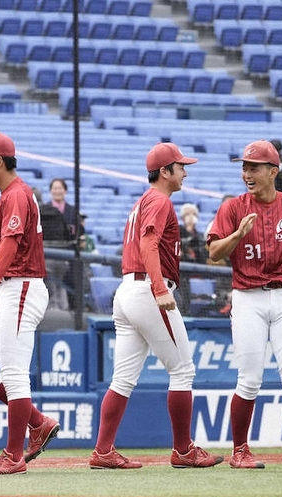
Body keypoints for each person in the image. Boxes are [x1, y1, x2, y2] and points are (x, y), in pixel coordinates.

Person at [89, 143, 222, 470]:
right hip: (148, 290)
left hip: (128, 290)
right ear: (165, 171)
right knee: (182, 370)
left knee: (122, 379)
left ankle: (103, 450)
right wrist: (160, 287)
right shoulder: (160, 201)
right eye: (180, 166)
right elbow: (149, 243)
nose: (185, 172)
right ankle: (183, 449)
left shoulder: (143, 201)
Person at [207, 139, 282, 469]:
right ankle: (240, 451)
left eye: (253, 167)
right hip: (247, 298)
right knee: (249, 378)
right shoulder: (232, 208)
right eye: (244, 167)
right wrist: (237, 236)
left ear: (273, 171)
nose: (246, 173)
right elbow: (213, 254)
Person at [0, 131, 59, 475]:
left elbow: (9, 247)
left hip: (21, 287)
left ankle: (13, 455)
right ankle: (38, 423)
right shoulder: (9, 195)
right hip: (12, 289)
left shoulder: (16, 195)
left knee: (15, 375)